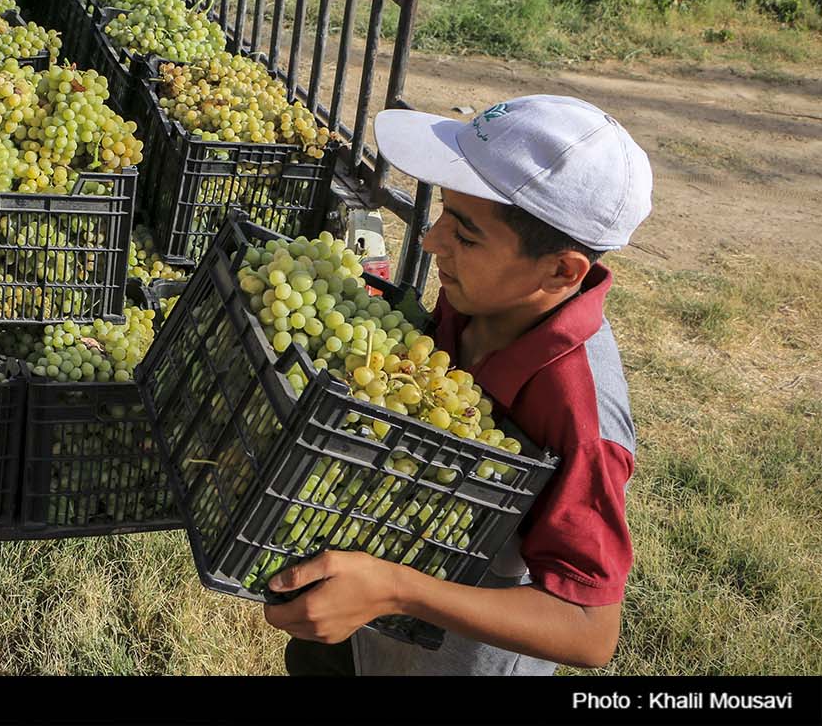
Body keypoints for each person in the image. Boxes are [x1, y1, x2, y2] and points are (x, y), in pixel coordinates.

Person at [269, 94, 652, 675]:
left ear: (561, 271)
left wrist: (397, 590)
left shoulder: (582, 413)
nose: (430, 241)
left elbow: (590, 632)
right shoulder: (481, 296)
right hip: (364, 615)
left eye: (465, 236)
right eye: (444, 213)